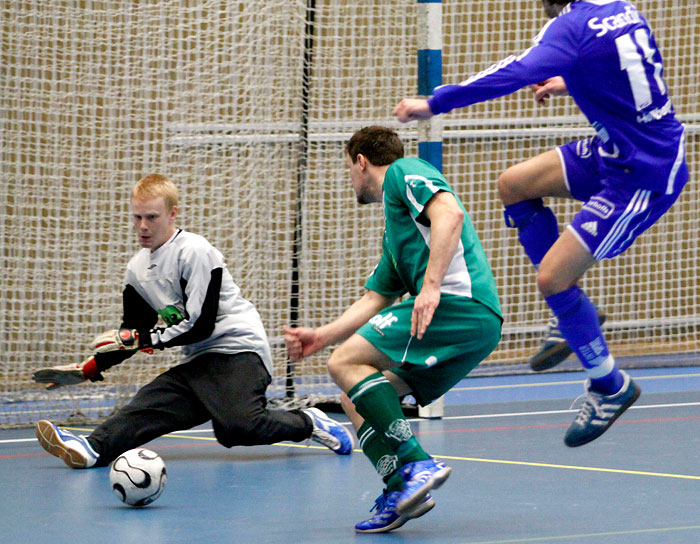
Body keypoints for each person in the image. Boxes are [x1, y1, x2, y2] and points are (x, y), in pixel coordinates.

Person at [393, 0, 688, 447]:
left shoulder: (568, 27)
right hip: (616, 151)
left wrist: (433, 103)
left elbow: (509, 74)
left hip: (642, 174)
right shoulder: (619, 9)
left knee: (552, 277)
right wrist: (573, 80)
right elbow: (631, 73)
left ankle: (609, 384)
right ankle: (569, 315)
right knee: (514, 184)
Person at [32, 174, 353, 470]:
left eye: (152, 217)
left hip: (238, 350)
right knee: (151, 403)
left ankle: (309, 422)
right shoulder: (137, 269)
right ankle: (93, 448)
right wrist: (91, 368)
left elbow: (203, 325)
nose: (143, 226)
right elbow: (134, 332)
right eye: (137, 217)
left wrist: (147, 340)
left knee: (236, 428)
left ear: (172, 214)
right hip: (200, 359)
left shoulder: (195, 252)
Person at [284, 126, 502, 533]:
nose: (351, 178)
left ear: (362, 162)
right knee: (355, 397)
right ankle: (401, 489)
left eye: (350, 168)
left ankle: (419, 461)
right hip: (472, 326)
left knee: (345, 362)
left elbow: (449, 213)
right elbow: (375, 298)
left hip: (460, 305)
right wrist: (322, 335)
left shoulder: (404, 171)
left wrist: (432, 285)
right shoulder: (396, 234)